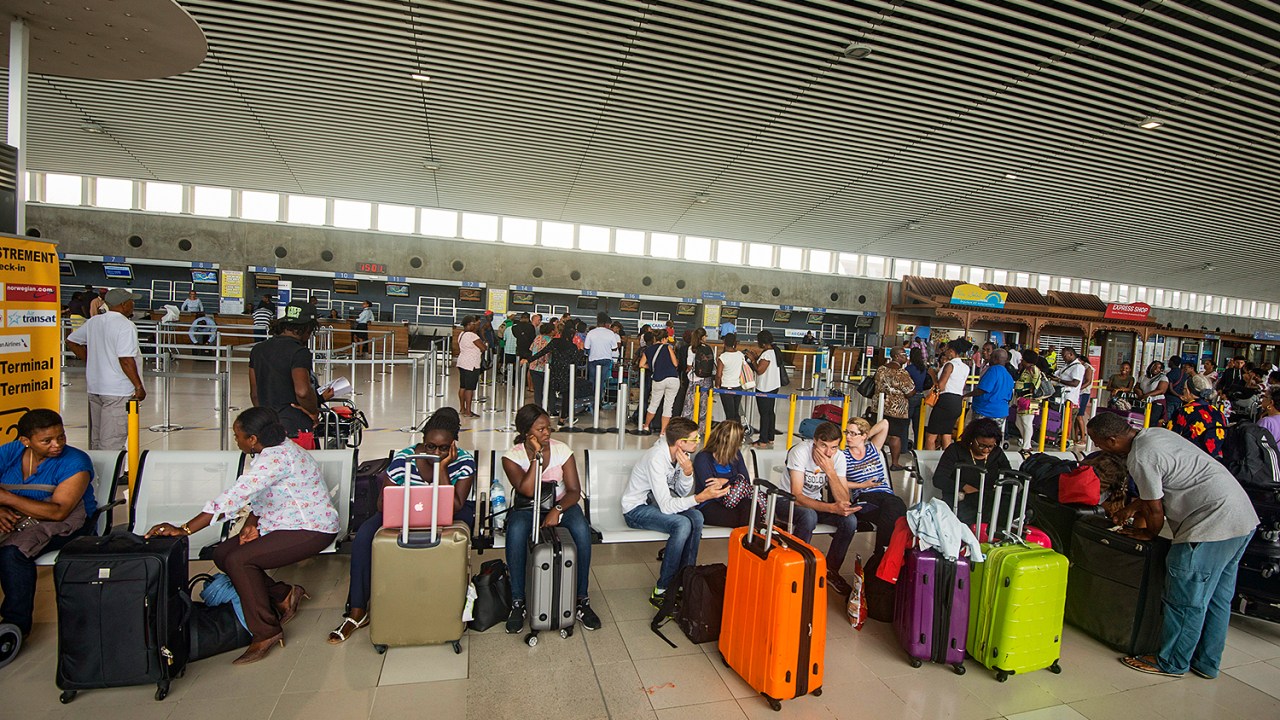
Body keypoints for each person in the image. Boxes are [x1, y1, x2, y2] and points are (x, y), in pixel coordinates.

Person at [146, 408, 339, 664]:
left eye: (238, 435)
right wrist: (252, 520)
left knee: (240, 561)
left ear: (253, 439)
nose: (235, 439)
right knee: (223, 553)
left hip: (312, 528)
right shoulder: (270, 450)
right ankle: (283, 594)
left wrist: (186, 529)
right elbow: (263, 494)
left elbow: (234, 497)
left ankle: (266, 631)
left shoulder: (277, 457)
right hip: (282, 522)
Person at [1087, 413, 1257, 680]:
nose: (1099, 448)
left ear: (1112, 440)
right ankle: (1206, 662)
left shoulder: (1141, 457)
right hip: (1240, 517)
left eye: (1099, 443)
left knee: (1185, 596)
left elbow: (1155, 509)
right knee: (1216, 598)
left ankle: (1172, 662)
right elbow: (1160, 489)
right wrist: (1131, 508)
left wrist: (1147, 534)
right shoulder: (1154, 435)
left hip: (1211, 524)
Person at [328, 408, 475, 644]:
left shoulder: (464, 460)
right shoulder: (404, 457)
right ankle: (357, 610)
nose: (436, 452)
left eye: (443, 448)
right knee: (365, 536)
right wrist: (408, 503)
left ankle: (448, 600)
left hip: (448, 513)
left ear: (453, 444)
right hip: (406, 510)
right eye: (430, 446)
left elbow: (455, 505)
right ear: (423, 440)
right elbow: (382, 502)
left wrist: (442, 467)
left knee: (456, 534)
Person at [501, 404, 601, 633]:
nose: (547, 433)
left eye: (548, 428)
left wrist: (557, 509)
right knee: (516, 533)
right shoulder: (511, 457)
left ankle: (581, 600)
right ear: (527, 432)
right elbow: (526, 490)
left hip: (562, 504)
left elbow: (574, 491)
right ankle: (518, 601)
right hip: (528, 508)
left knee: (582, 531)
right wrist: (537, 457)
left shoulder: (562, 450)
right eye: (541, 429)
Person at [0, 410, 97, 641]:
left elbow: (59, 511)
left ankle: (15, 626)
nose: (57, 445)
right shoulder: (10, 452)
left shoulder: (76, 461)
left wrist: (6, 498)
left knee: (13, 552)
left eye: (61, 437)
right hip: (16, 514)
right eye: (47, 441)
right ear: (25, 441)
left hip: (65, 520)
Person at [622, 418, 728, 608]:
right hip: (636, 510)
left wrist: (687, 472)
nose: (699, 442)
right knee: (682, 523)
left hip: (655, 505)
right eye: (695, 439)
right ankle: (662, 589)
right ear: (680, 442)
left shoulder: (680, 455)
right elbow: (666, 506)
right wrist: (699, 498)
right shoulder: (656, 458)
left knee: (697, 517)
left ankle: (685, 579)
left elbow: (679, 492)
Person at [65, 288, 146, 450]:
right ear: (123, 305)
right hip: (117, 391)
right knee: (112, 441)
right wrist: (138, 386)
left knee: (96, 438)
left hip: (95, 388)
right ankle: (111, 475)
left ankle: (99, 474)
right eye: (131, 301)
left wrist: (92, 360)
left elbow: (72, 341)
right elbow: (126, 359)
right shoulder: (125, 325)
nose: (133, 304)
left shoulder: (94, 321)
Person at [786, 422, 860, 596]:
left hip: (815, 503)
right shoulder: (800, 452)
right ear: (814, 442)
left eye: (834, 447)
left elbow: (844, 500)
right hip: (786, 502)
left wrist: (831, 472)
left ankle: (831, 571)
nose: (828, 452)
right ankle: (797, 568)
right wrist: (832, 508)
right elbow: (796, 496)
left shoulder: (838, 458)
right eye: (823, 446)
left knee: (850, 521)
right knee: (809, 516)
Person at [248, 301, 322, 443]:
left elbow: (255, 394)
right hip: (296, 426)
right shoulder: (299, 352)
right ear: (307, 328)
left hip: (268, 426)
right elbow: (303, 392)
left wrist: (265, 420)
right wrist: (313, 412)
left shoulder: (258, 349)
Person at [838, 417, 908, 555]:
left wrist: (864, 437)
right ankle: (885, 556)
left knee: (894, 508)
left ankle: (881, 554)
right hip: (865, 497)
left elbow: (885, 424)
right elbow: (838, 481)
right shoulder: (843, 456)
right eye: (847, 432)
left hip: (885, 496)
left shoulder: (873, 448)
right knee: (896, 514)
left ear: (864, 435)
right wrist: (862, 484)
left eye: (853, 433)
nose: (848, 437)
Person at [934, 418, 1013, 525]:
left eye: (990, 446)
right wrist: (964, 486)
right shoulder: (956, 450)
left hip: (988, 500)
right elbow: (939, 479)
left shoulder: (997, 453)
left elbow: (1009, 477)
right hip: (960, 500)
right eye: (981, 445)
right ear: (972, 439)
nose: (986, 450)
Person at [692, 420, 756, 528]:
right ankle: (747, 541)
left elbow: (746, 481)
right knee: (745, 517)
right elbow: (712, 490)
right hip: (709, 503)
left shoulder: (736, 455)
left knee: (753, 508)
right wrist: (735, 481)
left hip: (734, 500)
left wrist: (725, 481)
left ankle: (747, 541)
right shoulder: (703, 458)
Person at [528, 324, 581, 422]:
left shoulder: (555, 342)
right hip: (566, 373)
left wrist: (530, 359)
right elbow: (576, 361)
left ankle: (539, 414)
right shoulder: (572, 346)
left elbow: (542, 352)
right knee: (566, 395)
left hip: (554, 371)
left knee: (544, 391)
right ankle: (562, 418)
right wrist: (580, 351)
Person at [874, 347, 915, 469]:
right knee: (895, 435)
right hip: (896, 409)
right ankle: (895, 463)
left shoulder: (881, 369)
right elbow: (910, 392)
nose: (906, 358)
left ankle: (875, 460)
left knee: (879, 433)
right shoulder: (901, 373)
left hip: (880, 406)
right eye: (904, 355)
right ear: (896, 356)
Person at [1172, 374, 1228, 461]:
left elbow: (1171, 438)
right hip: (1215, 462)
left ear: (1188, 391)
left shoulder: (1184, 411)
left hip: (1190, 460)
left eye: (1184, 389)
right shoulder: (1218, 413)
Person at [924, 340, 968, 450]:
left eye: (947, 350)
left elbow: (941, 386)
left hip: (945, 401)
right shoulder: (965, 367)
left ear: (952, 351)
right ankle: (947, 460)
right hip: (957, 401)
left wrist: (933, 375)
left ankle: (930, 461)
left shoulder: (950, 365)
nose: (945, 352)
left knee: (931, 436)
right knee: (947, 434)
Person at [639, 331, 682, 435]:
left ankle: (646, 426)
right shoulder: (668, 347)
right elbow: (675, 363)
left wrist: (652, 367)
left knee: (654, 403)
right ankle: (663, 432)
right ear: (664, 339)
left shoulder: (648, 349)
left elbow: (641, 364)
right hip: (673, 379)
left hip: (658, 379)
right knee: (668, 406)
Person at [749, 330, 784, 448]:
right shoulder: (774, 351)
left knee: (764, 413)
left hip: (765, 387)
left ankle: (763, 440)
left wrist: (753, 360)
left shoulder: (767, 354)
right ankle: (770, 437)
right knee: (770, 412)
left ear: (763, 343)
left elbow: (759, 370)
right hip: (773, 386)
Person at [967, 347, 1014, 433]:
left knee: (978, 435)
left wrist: (966, 395)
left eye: (991, 356)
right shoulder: (1008, 375)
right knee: (993, 437)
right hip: (1001, 412)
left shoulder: (993, 370)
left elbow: (983, 389)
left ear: (995, 359)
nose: (989, 359)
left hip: (985, 410)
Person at [584, 313, 620, 409]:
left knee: (592, 381)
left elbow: (586, 347)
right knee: (601, 381)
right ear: (605, 323)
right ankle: (598, 402)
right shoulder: (610, 333)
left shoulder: (591, 333)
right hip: (606, 360)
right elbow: (615, 348)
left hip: (593, 359)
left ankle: (590, 403)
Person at [1013, 351, 1048, 451]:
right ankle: (1026, 441)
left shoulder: (1033, 369)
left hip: (1029, 399)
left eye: (1023, 358)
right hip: (1023, 399)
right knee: (1019, 422)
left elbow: (1035, 382)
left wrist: (1030, 391)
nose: (1021, 360)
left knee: (1027, 422)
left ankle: (1026, 446)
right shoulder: (1026, 369)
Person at [455, 315, 487, 418]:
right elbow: (483, 347)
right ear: (469, 325)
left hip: (462, 362)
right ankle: (468, 411)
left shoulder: (461, 334)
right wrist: (484, 344)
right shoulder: (472, 336)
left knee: (462, 386)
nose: (476, 326)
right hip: (471, 364)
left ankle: (462, 408)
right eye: (474, 324)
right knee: (470, 388)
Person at [682, 328, 716, 419]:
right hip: (707, 380)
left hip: (695, 380)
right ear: (702, 337)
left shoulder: (692, 349)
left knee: (690, 405)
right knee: (704, 407)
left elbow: (689, 365)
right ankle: (701, 430)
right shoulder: (709, 348)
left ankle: (687, 427)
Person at [905, 347, 935, 448]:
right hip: (921, 397)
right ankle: (918, 446)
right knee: (918, 425)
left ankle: (904, 447)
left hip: (910, 397)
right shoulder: (923, 369)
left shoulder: (908, 369)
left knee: (906, 424)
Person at [716, 333, 747, 423]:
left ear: (724, 343)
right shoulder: (740, 355)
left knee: (729, 414)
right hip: (737, 386)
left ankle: (730, 433)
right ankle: (738, 432)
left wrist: (717, 385)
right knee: (735, 412)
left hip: (726, 387)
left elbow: (718, 374)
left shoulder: (723, 357)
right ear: (735, 342)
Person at [528, 322, 554, 400]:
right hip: (545, 367)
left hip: (534, 366)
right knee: (547, 390)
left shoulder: (537, 338)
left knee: (537, 391)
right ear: (551, 331)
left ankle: (538, 406)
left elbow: (531, 349)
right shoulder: (551, 340)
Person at [1163, 356, 1190, 424]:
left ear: (1172, 362)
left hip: (1170, 398)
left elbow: (1170, 388)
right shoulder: (1184, 374)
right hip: (1179, 400)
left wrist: (1177, 395)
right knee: (1176, 418)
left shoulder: (1170, 374)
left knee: (1168, 417)